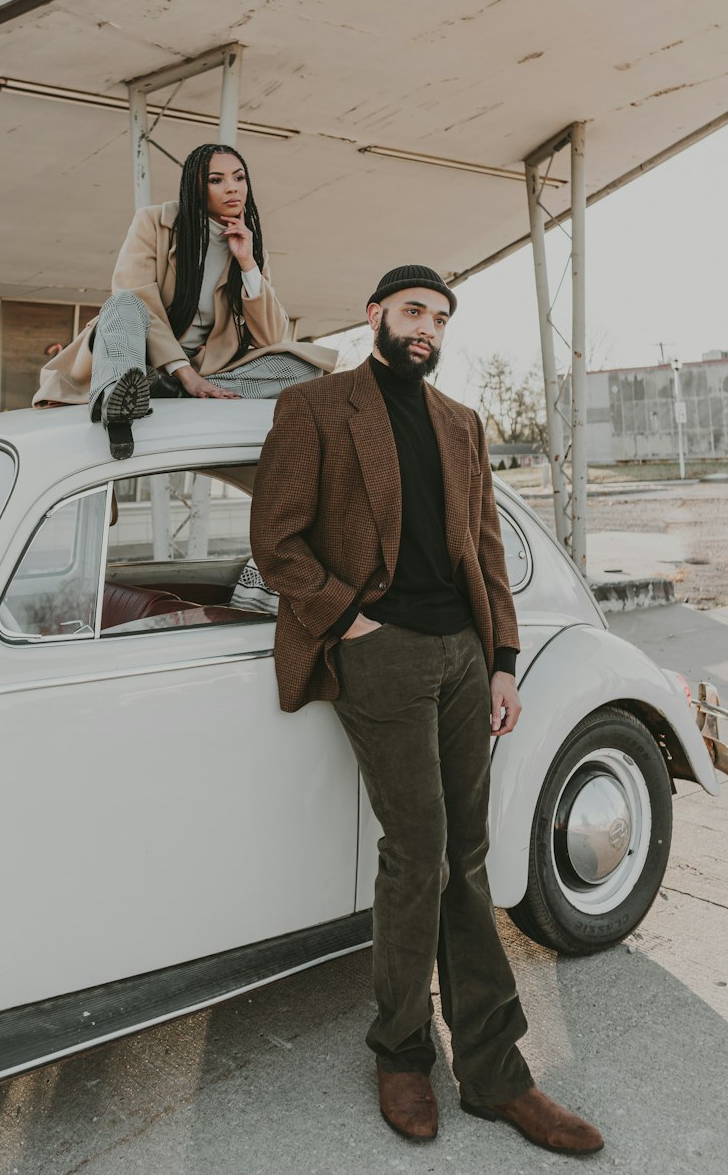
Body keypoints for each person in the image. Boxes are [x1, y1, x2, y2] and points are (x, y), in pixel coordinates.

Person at [249, 264, 603, 1156]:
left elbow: (484, 548)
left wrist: (505, 661)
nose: (426, 329)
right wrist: (349, 618)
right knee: (420, 854)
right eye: (413, 311)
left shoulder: (461, 423)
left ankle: (494, 1071)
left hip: (460, 659)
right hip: (379, 656)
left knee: (469, 856)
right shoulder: (318, 409)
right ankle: (402, 1050)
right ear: (374, 313)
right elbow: (274, 539)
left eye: (439, 318)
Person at [33, 144, 335, 457]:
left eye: (239, 177)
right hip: (141, 355)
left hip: (205, 370)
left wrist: (248, 264)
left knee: (307, 365)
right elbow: (136, 299)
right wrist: (185, 375)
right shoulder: (153, 222)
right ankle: (118, 402)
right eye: (216, 180)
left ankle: (170, 392)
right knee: (123, 305)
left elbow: (271, 337)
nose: (232, 187)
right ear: (196, 186)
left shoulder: (250, 246)